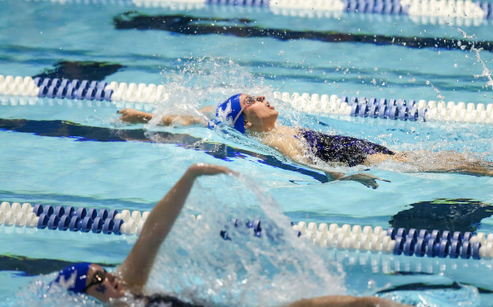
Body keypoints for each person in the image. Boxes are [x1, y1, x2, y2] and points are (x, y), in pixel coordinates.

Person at [0, 164, 484, 307]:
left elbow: (154, 232)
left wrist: (189, 177)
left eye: (103, 272)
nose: (108, 279)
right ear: (86, 298)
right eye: (97, 282)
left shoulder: (132, 283)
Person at [117, 93, 493, 188]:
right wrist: (353, 176)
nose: (263, 98)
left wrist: (148, 116)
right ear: (244, 120)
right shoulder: (278, 143)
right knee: (440, 162)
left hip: (353, 146)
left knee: (438, 156)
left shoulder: (263, 129)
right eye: (253, 101)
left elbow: (196, 114)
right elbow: (313, 167)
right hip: (354, 159)